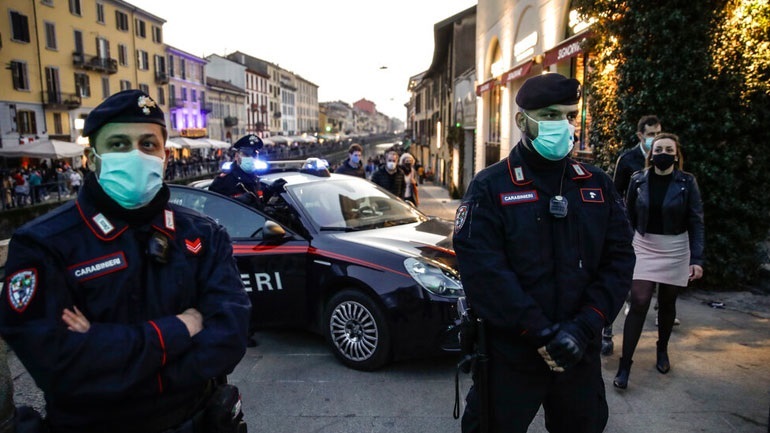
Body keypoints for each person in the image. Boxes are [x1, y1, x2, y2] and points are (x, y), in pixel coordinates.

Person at [0, 89, 251, 433]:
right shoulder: (44, 244)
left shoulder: (204, 234)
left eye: (148, 145)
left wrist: (103, 346)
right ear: (91, 157)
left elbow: (229, 338)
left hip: (197, 421)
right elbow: (60, 367)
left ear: (165, 157)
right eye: (118, 144)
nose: (135, 155)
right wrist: (180, 328)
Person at [453, 73, 635, 433]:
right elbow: (484, 271)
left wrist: (583, 328)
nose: (563, 125)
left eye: (569, 115)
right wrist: (539, 332)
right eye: (551, 115)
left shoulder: (595, 184)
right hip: (512, 353)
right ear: (523, 120)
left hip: (577, 350)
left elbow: (619, 261)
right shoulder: (491, 186)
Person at [613, 132, 704, 390]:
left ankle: (662, 350)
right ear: (651, 154)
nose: (663, 153)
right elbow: (627, 217)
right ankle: (624, 365)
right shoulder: (638, 180)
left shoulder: (688, 182)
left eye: (668, 149)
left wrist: (696, 258)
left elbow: (696, 221)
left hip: (676, 246)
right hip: (644, 244)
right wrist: (624, 249)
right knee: (639, 300)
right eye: (658, 148)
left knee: (667, 302)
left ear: (676, 155)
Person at [602, 114, 664, 356]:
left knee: (641, 284)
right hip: (631, 230)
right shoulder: (628, 160)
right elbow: (616, 195)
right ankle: (607, 331)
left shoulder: (664, 158)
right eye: (651, 134)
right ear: (640, 136)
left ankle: (654, 308)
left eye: (658, 133)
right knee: (618, 278)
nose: (655, 139)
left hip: (657, 232)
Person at [209, 133, 265, 210]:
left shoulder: (256, 179)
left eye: (254, 155)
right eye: (246, 154)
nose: (251, 158)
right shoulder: (224, 180)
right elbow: (210, 208)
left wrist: (271, 190)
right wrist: (234, 202)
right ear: (236, 156)